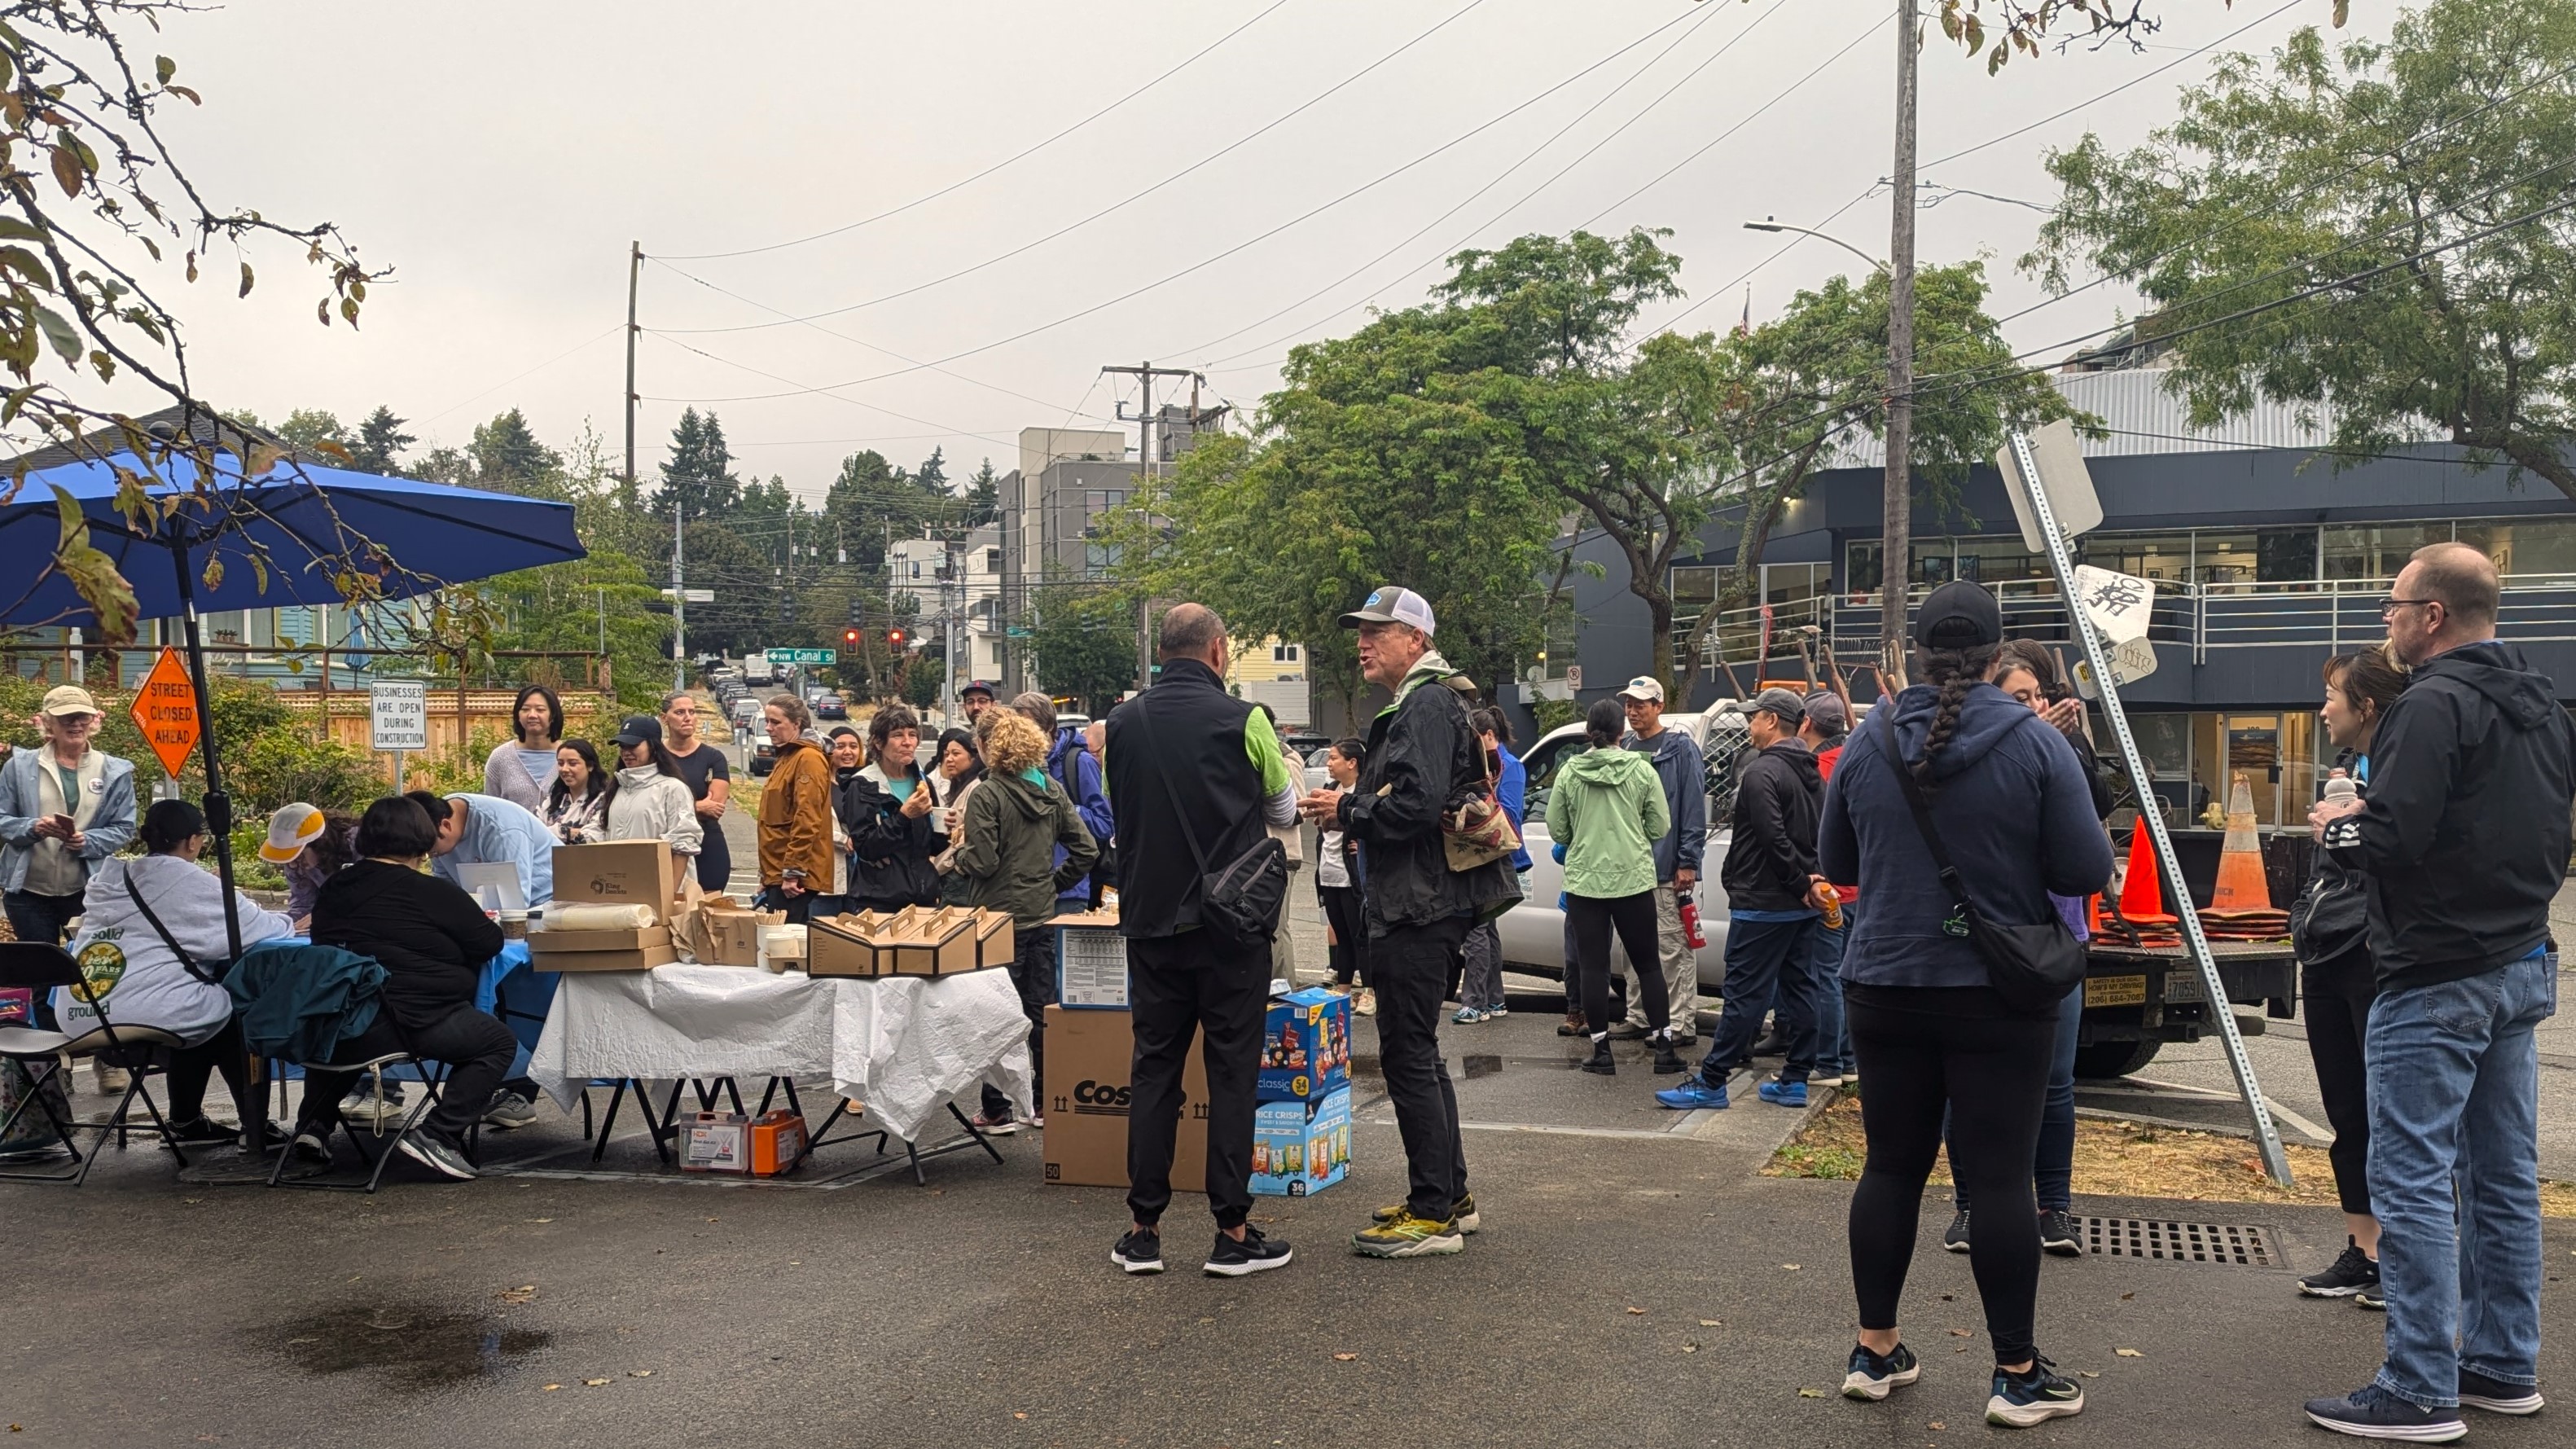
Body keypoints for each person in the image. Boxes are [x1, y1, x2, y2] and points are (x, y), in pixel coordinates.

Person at [1810, 580, 2109, 1426]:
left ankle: (1874, 1352)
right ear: (1992, 655)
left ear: (1913, 652)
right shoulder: (2033, 743)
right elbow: (2084, 871)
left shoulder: (1869, 743)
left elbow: (1839, 859)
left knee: (1890, 1168)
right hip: (1994, 993)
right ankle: (2014, 1374)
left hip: (1882, 984)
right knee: (2000, 1178)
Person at [2302, 542, 2569, 1439]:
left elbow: (2393, 840)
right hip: (2519, 960)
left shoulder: (2430, 706)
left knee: (2409, 1176)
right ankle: (2499, 1363)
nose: (2385, 618)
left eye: (2393, 604)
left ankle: (2416, 1385)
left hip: (2431, 971)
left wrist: (2341, 825)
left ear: (2433, 617)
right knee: (2500, 1175)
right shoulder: (2545, 710)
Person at [1301, 586, 1518, 1259]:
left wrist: (1347, 810)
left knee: (1406, 1055)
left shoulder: (1424, 702)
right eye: (1361, 631)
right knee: (1417, 1053)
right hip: (1425, 902)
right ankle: (1447, 1196)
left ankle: (1433, 1214)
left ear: (1415, 640)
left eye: (1379, 630)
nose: (1363, 641)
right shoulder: (1429, 699)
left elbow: (1418, 806)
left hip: (1417, 905)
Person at [1106, 603, 1297, 1278]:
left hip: (1151, 925)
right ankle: (1232, 1231)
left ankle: (1141, 1230)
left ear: (1164, 651)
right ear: (1218, 651)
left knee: (1153, 1068)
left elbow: (1120, 811)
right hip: (1229, 929)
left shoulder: (1121, 723)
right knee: (1230, 1074)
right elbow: (1282, 808)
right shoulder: (1243, 719)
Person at [1940, 639, 2117, 1258]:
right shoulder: (1971, 751)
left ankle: (2054, 1206)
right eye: (2018, 698)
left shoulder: (2058, 746)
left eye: (2037, 696)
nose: (2033, 707)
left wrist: (2067, 746)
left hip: (2056, 932)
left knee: (2056, 1080)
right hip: (1986, 931)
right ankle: (1969, 1206)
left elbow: (2096, 815)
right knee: (1968, 1083)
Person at [297, 795, 518, 1182]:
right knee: (496, 1041)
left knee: (344, 1025)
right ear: (423, 838)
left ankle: (313, 1127)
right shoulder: (434, 893)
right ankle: (438, 1134)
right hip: (412, 1021)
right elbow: (489, 943)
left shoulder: (333, 891)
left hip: (337, 1023)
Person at [57, 799, 294, 1147]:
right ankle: (254, 1125)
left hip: (80, 1014)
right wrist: (291, 920)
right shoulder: (185, 879)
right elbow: (257, 930)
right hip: (137, 1013)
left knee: (194, 1006)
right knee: (231, 1012)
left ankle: (187, 1122)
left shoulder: (111, 880)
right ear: (194, 841)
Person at [2288, 648, 2408, 1305]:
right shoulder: (2344, 768)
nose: (2323, 706)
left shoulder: (2399, 766)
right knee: (2344, 1106)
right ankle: (2362, 1249)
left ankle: (2402, 1253)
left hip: (2375, 953)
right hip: (2327, 949)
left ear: (2365, 706)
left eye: (2333, 694)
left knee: (2389, 1111)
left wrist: (2353, 825)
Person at [1657, 687, 1824, 1110]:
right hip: (1801, 904)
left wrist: (1796, 880)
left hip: (1764, 899)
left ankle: (1712, 1081)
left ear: (1770, 720)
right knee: (1801, 986)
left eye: (1754, 717)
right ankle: (1796, 1077)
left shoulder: (1762, 772)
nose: (1750, 725)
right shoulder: (1811, 771)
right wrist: (1810, 882)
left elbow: (1772, 836)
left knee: (1745, 993)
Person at [951, 707, 1096, 1137]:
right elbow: (1086, 849)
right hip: (1041, 913)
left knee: (995, 1012)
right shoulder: (1049, 788)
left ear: (985, 748)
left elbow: (983, 860)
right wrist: (1053, 884)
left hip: (996, 919)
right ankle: (1043, 1100)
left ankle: (996, 1109)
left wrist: (957, 855)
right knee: (1040, 1010)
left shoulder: (987, 794)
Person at [1548, 699, 1680, 1077]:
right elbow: (1660, 826)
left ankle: (1601, 1051)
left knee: (1593, 968)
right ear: (1622, 732)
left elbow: (1558, 829)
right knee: (1649, 965)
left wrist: (1581, 835)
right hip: (1633, 879)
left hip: (1585, 883)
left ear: (1589, 732)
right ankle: (1665, 1048)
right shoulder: (1641, 770)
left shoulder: (1570, 772)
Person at [1, 686, 138, 951]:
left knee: (91, 972)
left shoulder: (114, 771)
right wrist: (34, 827)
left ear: (93, 721)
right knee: (40, 974)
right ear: (49, 722)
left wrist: (87, 841)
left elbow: (124, 827)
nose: (75, 724)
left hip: (87, 891)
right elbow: (2, 819)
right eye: (66, 718)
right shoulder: (19, 767)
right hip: (29, 892)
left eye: (82, 717)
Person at [1609, 676, 1705, 1045]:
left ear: (1659, 706)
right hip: (1631, 869)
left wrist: (1688, 861)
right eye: (1629, 704)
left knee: (1671, 947)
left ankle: (1679, 1024)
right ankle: (1638, 1016)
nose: (1633, 711)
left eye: (1642, 704)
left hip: (1667, 867)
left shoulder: (1680, 748)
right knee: (1633, 947)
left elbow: (1693, 808)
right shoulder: (1627, 746)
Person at [1795, 691, 1857, 1087]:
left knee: (1826, 976)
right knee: (1850, 976)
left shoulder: (1814, 769)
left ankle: (1829, 1063)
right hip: (1861, 887)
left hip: (1827, 887)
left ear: (1807, 723)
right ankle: (1849, 1059)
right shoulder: (1856, 762)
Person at [1454, 707, 1529, 1025]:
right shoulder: (1485, 765)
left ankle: (1475, 1002)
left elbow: (1510, 814)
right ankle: (1494, 999)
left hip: (1491, 854)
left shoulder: (1509, 766)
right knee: (1488, 925)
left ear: (1488, 735)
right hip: (1486, 854)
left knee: (1476, 925)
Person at [842, 705, 943, 914]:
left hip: (924, 898)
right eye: (898, 735)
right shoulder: (862, 785)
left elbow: (930, 847)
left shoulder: (922, 782)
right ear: (878, 743)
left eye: (913, 735)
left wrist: (947, 828)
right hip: (880, 901)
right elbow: (867, 848)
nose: (908, 742)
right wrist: (904, 816)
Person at [1022, 693, 1115, 917]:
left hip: (1068, 892)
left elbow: (1105, 825)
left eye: (1028, 727)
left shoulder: (1079, 762)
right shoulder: (1019, 766)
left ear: (1048, 727)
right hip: (1025, 892)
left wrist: (1068, 809)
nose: (1022, 736)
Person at [755, 693, 835, 925]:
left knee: (786, 946)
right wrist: (768, 875)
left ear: (797, 724)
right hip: (779, 871)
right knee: (778, 944)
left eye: (776, 722)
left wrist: (794, 872)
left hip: (794, 877)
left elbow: (807, 818)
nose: (769, 728)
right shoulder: (788, 755)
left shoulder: (808, 757)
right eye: (767, 721)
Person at [405, 790, 555, 910]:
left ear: (446, 825)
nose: (431, 857)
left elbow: (515, 906)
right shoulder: (431, 819)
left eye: (432, 852)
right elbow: (446, 892)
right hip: (496, 905)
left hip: (549, 901)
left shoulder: (502, 831)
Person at [588, 716, 705, 863]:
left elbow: (683, 845)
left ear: (653, 746)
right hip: (622, 881)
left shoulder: (673, 789)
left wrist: (670, 886)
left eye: (633, 745)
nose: (626, 752)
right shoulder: (616, 788)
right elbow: (599, 832)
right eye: (622, 746)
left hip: (659, 881)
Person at [1316, 739, 1371, 1016]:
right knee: (1341, 935)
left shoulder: (1364, 793)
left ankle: (1370, 991)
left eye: (1334, 758)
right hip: (1328, 872)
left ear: (1352, 763)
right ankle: (1344, 989)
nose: (1329, 763)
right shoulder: (1329, 790)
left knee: (1359, 933)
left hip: (1352, 876)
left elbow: (1374, 825)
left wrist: (1363, 843)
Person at [660, 692, 734, 895]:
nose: (688, 717)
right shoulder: (656, 757)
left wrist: (677, 809)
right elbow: (652, 805)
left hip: (707, 841)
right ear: (664, 718)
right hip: (666, 843)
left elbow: (715, 807)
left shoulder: (713, 757)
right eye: (680, 712)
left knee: (710, 908)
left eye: (692, 712)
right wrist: (698, 806)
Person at [262, 802, 359, 933]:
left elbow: (372, 900)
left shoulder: (359, 845)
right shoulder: (297, 864)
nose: (292, 865)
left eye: (298, 856)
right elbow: (303, 907)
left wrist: (327, 914)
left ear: (320, 843)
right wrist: (271, 925)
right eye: (288, 858)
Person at [481, 684, 564, 818]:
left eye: (540, 710)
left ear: (553, 715)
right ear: (518, 715)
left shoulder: (572, 757)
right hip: (513, 838)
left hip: (561, 838)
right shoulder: (500, 758)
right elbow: (491, 811)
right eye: (525, 709)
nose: (532, 715)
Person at [928, 726, 986, 895]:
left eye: (956, 754)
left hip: (960, 873)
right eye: (946, 755)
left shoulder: (977, 787)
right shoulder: (958, 785)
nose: (949, 759)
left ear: (974, 757)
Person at [541, 740, 608, 845]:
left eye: (572, 763)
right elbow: (532, 832)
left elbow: (592, 837)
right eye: (560, 763)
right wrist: (569, 832)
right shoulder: (552, 800)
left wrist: (556, 831)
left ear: (590, 766)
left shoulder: (604, 800)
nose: (564, 769)